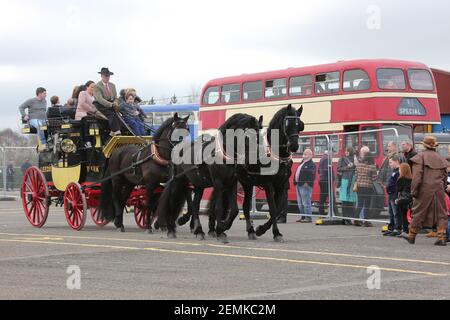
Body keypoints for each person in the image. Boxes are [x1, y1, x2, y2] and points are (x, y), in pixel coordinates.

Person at [402, 136, 449, 246]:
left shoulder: (420, 157)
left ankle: (411, 235)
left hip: (424, 189)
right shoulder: (441, 158)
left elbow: (417, 177)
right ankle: (441, 237)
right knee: (441, 213)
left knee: (418, 212)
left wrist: (413, 191)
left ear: (424, 145)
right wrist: (443, 187)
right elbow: (444, 177)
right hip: (439, 189)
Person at [93, 68, 121, 136]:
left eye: (108, 76)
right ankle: (116, 131)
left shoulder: (112, 85)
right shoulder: (97, 86)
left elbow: (115, 97)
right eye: (106, 76)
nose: (107, 77)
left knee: (120, 114)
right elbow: (100, 99)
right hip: (100, 105)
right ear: (102, 76)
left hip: (111, 104)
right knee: (112, 114)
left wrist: (115, 103)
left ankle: (113, 131)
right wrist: (111, 105)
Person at [354, 154, 378, 227]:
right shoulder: (372, 167)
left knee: (360, 204)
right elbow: (374, 178)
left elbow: (356, 176)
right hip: (368, 187)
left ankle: (356, 219)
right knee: (367, 205)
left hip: (359, 187)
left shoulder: (359, 166)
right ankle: (366, 221)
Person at [294, 149, 316, 223]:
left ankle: (308, 218)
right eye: (304, 153)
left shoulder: (311, 164)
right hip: (298, 184)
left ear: (310, 155)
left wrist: (307, 182)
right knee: (300, 203)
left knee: (306, 202)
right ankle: (303, 217)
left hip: (305, 185)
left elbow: (312, 175)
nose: (304, 154)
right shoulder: (302, 162)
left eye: (306, 153)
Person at [337, 147, 357, 220]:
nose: (346, 152)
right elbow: (338, 168)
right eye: (345, 151)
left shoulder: (355, 159)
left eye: (347, 151)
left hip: (353, 180)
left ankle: (352, 217)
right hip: (345, 180)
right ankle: (345, 217)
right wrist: (347, 167)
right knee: (345, 200)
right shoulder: (342, 159)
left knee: (352, 200)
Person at [383, 156, 401, 236]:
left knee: (396, 212)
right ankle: (391, 228)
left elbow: (398, 184)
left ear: (396, 161)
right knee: (391, 212)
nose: (389, 164)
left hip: (394, 195)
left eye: (390, 162)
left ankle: (397, 228)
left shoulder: (399, 171)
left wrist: (396, 195)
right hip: (391, 194)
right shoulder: (394, 171)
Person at [318, 151, 338, 216]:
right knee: (332, 197)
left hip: (322, 179)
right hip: (326, 180)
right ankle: (335, 213)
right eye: (332, 153)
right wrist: (333, 177)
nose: (333, 154)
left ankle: (321, 212)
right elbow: (327, 169)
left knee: (322, 197)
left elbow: (319, 170)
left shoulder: (322, 158)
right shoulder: (327, 158)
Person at [395, 163, 413, 238]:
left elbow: (398, 189)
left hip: (402, 200)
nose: (399, 170)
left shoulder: (401, 178)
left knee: (403, 215)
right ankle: (410, 230)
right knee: (410, 215)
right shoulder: (411, 179)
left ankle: (405, 230)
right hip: (410, 200)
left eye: (400, 169)